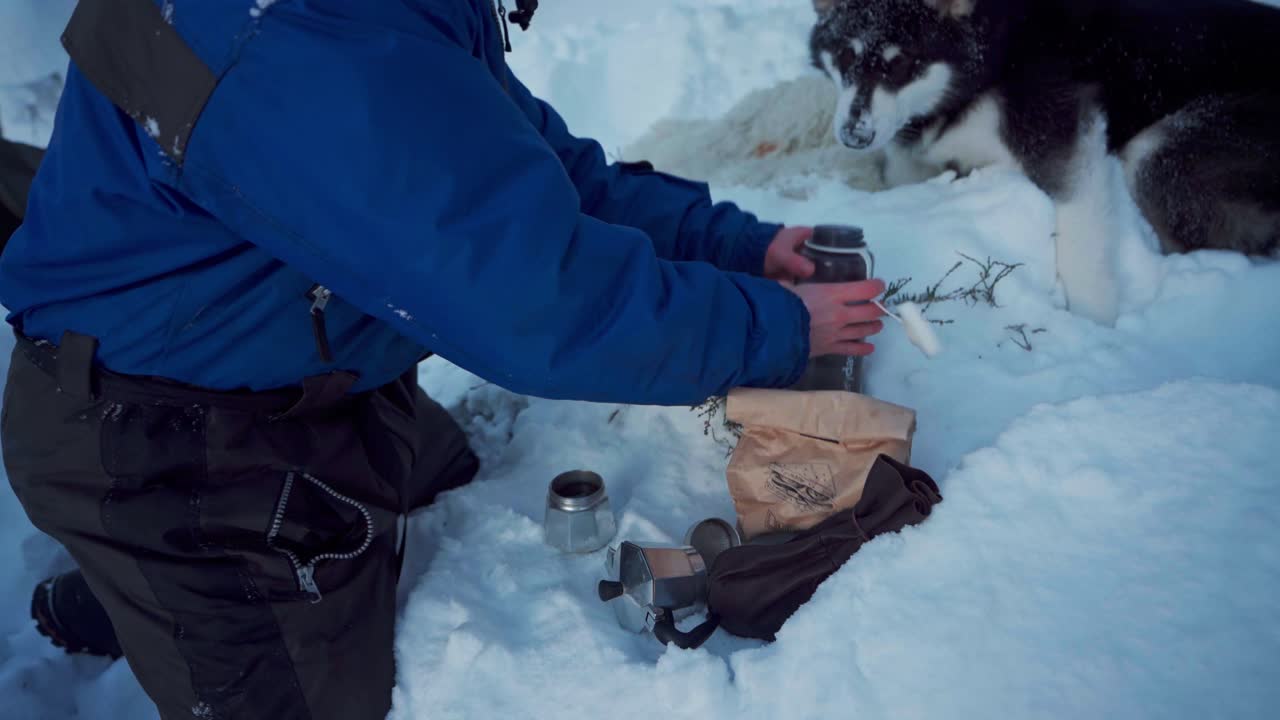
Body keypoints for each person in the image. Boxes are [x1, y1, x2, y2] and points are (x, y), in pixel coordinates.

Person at [0, 1, 886, 718]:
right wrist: (775, 329)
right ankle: (148, 589)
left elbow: (518, 177)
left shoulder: (375, 15)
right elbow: (534, 303)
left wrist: (730, 245)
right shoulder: (293, 40)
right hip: (162, 437)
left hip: (300, 365)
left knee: (443, 488)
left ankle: (155, 597)